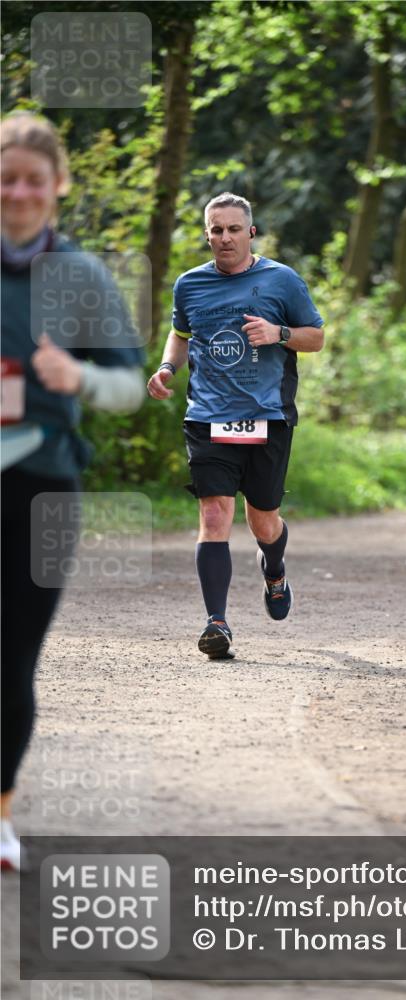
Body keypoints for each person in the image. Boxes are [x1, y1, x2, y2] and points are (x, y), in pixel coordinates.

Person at [0, 112, 145, 871]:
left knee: (12, 658)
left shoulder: (83, 277)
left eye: (33, 179)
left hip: (44, 489)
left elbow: (131, 386)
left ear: (58, 186)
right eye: (6, 178)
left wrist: (77, 377)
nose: (19, 192)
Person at [147, 192, 324, 659]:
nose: (224, 237)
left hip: (268, 415)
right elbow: (180, 334)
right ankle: (217, 623)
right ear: (206, 234)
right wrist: (167, 367)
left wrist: (279, 334)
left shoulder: (282, 281)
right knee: (213, 515)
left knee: (262, 521)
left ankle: (275, 566)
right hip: (207, 416)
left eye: (232, 229)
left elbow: (317, 337)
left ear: (250, 232)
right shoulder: (189, 285)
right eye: (216, 229)